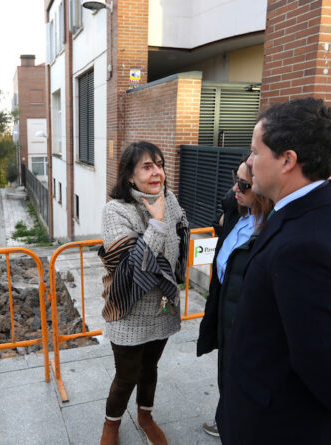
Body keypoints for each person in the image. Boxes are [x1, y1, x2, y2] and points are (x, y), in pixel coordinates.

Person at [219, 98, 331, 444]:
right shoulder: (329, 206)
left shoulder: (304, 244)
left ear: (287, 160)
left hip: (277, 424)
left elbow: (320, 356)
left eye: (256, 151)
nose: (249, 162)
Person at [98, 142, 189, 445]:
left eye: (160, 165)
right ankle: (111, 424)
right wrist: (158, 222)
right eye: (147, 166)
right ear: (130, 177)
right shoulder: (115, 211)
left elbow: (176, 254)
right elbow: (133, 269)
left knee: (150, 367)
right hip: (128, 310)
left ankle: (145, 416)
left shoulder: (171, 201)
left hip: (162, 304)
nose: (157, 172)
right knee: (126, 376)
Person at [196, 161, 273, 437]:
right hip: (225, 316)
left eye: (243, 184)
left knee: (241, 377)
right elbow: (229, 200)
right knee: (226, 373)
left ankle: (233, 423)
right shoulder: (237, 213)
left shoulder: (271, 229)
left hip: (248, 322)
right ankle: (225, 416)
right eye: (235, 179)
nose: (235, 188)